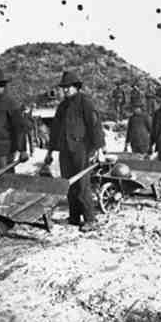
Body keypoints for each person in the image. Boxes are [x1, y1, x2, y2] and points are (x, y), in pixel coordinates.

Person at [44, 70, 105, 232]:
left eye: (68, 87)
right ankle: (74, 216)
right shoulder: (62, 106)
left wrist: (99, 150)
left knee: (83, 185)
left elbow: (95, 126)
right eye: (63, 87)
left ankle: (90, 219)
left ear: (76, 87)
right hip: (65, 151)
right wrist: (50, 151)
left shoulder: (86, 102)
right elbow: (55, 130)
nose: (65, 90)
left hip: (82, 150)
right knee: (68, 184)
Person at [0, 67, 29, 187]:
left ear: (2, 85)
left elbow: (20, 127)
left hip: (5, 149)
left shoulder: (11, 103)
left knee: (5, 180)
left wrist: (22, 150)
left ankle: (5, 204)